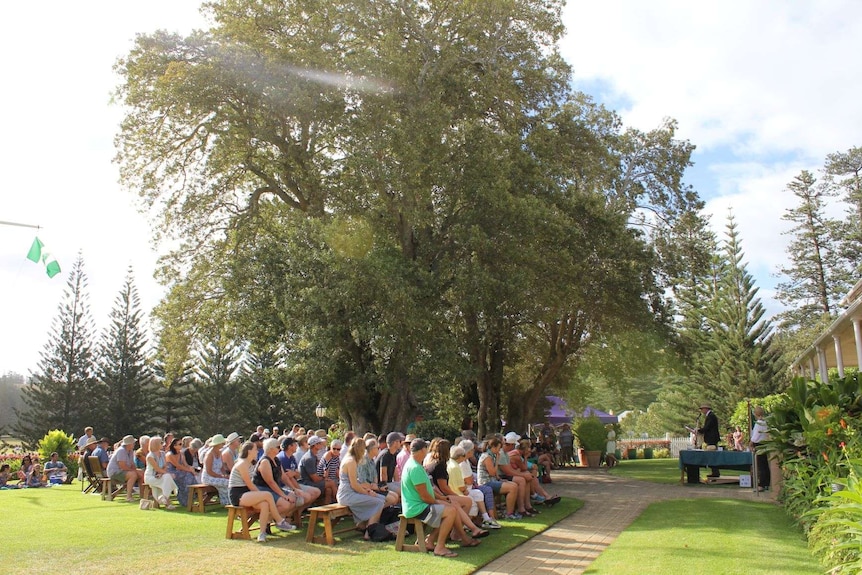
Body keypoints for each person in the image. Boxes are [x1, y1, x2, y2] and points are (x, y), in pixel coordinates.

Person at [401, 438, 468, 558]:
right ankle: (440, 547)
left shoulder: (415, 464)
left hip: (419, 504)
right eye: (426, 448)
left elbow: (429, 491)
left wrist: (442, 499)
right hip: (416, 508)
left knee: (452, 507)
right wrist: (438, 501)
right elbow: (425, 496)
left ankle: (431, 541)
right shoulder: (415, 468)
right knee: (451, 511)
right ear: (422, 450)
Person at [228, 441, 296, 542]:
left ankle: (262, 534)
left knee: (264, 504)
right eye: (255, 449)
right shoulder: (242, 464)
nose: (257, 451)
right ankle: (279, 520)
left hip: (247, 493)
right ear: (249, 451)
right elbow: (249, 484)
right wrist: (260, 494)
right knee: (267, 495)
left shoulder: (250, 463)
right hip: (238, 494)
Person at [336, 437, 387, 535]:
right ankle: (369, 532)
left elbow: (357, 482)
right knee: (378, 502)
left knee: (381, 499)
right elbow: (354, 485)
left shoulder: (352, 460)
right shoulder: (351, 461)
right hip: (347, 494)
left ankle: (364, 525)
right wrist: (368, 493)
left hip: (352, 492)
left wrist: (368, 491)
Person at [477, 437, 520, 519]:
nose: (499, 450)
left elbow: (495, 474)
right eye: (499, 448)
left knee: (514, 484)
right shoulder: (487, 457)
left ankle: (510, 511)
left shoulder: (491, 455)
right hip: (485, 482)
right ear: (493, 447)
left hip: (492, 480)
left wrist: (500, 479)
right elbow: (492, 472)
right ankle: (509, 513)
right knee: (512, 488)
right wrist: (497, 461)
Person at [300, 435, 336, 504]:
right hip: (307, 483)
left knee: (328, 489)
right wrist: (324, 478)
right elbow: (315, 479)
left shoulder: (313, 456)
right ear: (315, 445)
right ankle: (340, 502)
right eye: (319, 443)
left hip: (310, 481)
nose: (321, 444)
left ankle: (326, 509)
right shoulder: (309, 458)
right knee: (331, 483)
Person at [144, 436, 179, 509]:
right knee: (168, 477)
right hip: (150, 476)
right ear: (156, 444)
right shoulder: (150, 456)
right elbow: (156, 468)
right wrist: (165, 473)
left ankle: (164, 498)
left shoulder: (163, 453)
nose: (163, 444)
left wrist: (162, 473)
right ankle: (167, 500)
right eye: (161, 443)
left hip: (160, 474)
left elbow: (165, 466)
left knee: (167, 478)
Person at [165, 437, 197, 508]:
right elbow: (178, 466)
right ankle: (185, 498)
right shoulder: (169, 455)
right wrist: (189, 470)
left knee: (190, 475)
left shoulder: (181, 453)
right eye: (179, 444)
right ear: (174, 446)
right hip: (171, 472)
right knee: (188, 475)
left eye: (182, 444)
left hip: (179, 472)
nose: (181, 445)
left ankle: (190, 496)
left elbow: (185, 464)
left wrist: (191, 468)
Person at [107, 435, 139, 502]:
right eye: (133, 443)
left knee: (141, 473)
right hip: (114, 472)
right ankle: (128, 496)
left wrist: (136, 470)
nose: (134, 444)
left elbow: (132, 464)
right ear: (129, 444)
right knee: (133, 475)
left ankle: (143, 496)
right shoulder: (121, 451)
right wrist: (134, 471)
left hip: (123, 471)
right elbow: (122, 466)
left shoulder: (130, 451)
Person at [201, 434, 231, 505]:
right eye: (222, 443)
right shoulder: (209, 454)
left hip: (218, 476)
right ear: (217, 444)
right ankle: (227, 502)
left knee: (229, 481)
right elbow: (209, 471)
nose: (223, 445)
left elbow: (222, 467)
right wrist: (221, 476)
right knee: (227, 483)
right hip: (208, 478)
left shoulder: (220, 453)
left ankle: (227, 502)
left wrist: (225, 475)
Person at [696, 402, 721, 478]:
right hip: (711, 438)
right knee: (711, 456)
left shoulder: (711, 416)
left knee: (712, 455)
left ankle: (715, 472)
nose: (701, 411)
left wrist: (699, 430)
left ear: (706, 409)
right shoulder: (710, 416)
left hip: (712, 439)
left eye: (702, 409)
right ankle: (714, 471)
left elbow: (707, 427)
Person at [750, 406, 771, 491]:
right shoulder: (765, 422)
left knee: (761, 464)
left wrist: (751, 442)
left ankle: (761, 484)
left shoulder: (759, 423)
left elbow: (756, 435)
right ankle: (766, 482)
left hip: (759, 444)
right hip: (764, 443)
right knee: (765, 464)